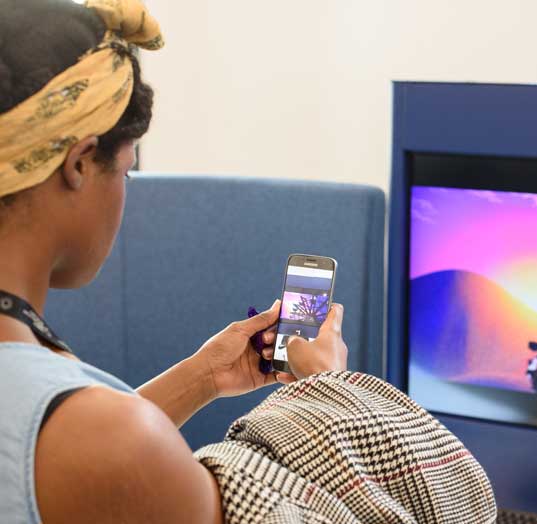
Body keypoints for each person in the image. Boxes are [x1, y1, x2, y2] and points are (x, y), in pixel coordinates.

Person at [0, 1, 348, 522]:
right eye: (125, 172)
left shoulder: (69, 427)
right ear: (77, 164)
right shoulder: (113, 445)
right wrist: (327, 395)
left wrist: (201, 377)